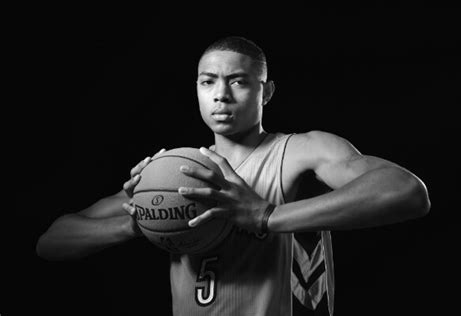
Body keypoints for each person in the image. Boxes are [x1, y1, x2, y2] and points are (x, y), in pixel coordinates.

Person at [36, 36, 431, 316]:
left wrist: (265, 215)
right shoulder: (174, 172)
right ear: (196, 89)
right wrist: (139, 223)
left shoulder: (300, 152)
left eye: (238, 81)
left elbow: (406, 191)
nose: (221, 95)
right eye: (208, 82)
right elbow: (51, 243)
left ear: (268, 91)